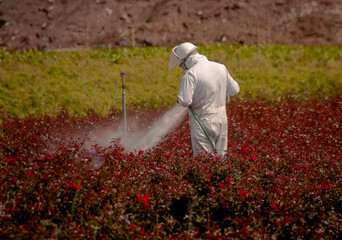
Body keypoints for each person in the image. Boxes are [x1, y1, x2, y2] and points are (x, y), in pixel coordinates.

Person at [168, 42, 240, 156]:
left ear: (186, 60)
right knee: (221, 158)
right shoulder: (221, 67)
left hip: (202, 121)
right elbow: (234, 90)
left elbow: (185, 101)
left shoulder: (191, 74)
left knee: (205, 162)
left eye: (181, 64)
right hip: (222, 120)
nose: (182, 67)